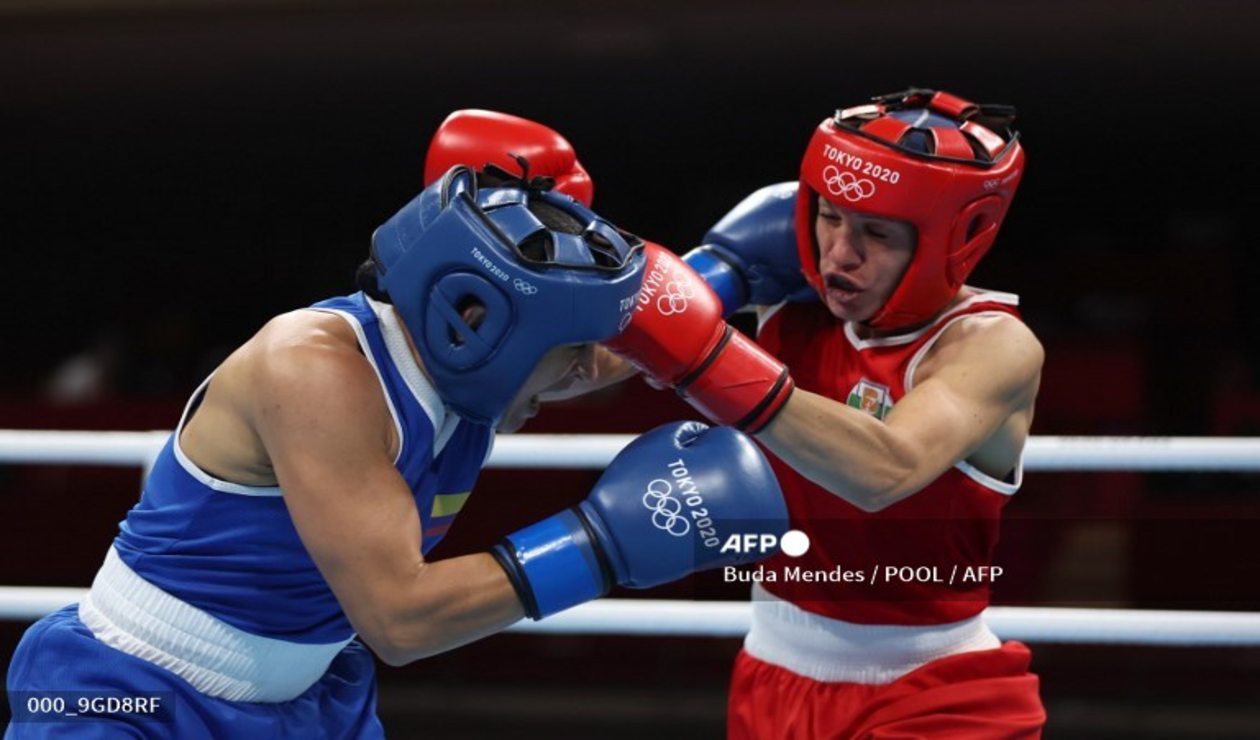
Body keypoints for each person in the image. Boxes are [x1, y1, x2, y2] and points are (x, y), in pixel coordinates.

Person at [4, 114, 790, 738]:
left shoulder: (483, 352)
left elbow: (622, 344)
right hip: (135, 697)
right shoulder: (314, 370)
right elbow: (401, 618)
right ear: (490, 330)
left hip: (314, 699)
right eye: (570, 357)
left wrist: (735, 266)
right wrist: (601, 544)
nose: (590, 374)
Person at [600, 88, 1048, 737]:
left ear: (952, 242)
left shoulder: (990, 346)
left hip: (936, 696)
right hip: (771, 677)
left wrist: (703, 352)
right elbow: (592, 371)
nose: (839, 253)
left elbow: (883, 470)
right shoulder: (786, 295)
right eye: (830, 217)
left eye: (875, 233)